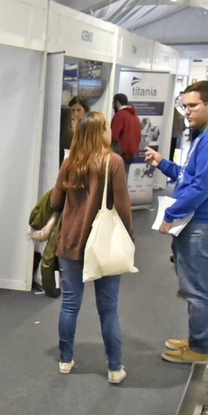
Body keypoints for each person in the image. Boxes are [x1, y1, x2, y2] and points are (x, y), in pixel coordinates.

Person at [145, 80, 208, 365]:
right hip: (202, 221)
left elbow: (202, 186)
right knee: (196, 286)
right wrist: (163, 163)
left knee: (199, 289)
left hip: (205, 224)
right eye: (184, 106)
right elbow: (190, 175)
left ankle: (199, 348)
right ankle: (197, 337)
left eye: (193, 106)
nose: (187, 111)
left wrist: (171, 217)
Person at [49, 113, 133, 383]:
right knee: (108, 309)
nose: (110, 132)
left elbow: (54, 201)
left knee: (70, 305)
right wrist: (128, 238)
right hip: (104, 245)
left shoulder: (70, 163)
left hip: (71, 242)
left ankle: (65, 359)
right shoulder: (114, 162)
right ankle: (114, 368)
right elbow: (122, 208)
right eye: (107, 127)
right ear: (100, 133)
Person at [111, 93, 143, 165]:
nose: (113, 106)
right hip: (131, 154)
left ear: (117, 103)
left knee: (117, 175)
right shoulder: (135, 116)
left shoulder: (120, 115)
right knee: (125, 175)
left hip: (121, 154)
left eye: (113, 103)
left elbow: (114, 136)